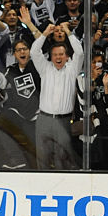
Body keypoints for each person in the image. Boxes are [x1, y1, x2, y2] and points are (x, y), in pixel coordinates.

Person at [30, 22, 82, 170]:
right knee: (43, 158)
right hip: (44, 120)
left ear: (66, 56)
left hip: (64, 121)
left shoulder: (72, 70)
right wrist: (45, 33)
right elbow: (34, 52)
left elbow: (80, 53)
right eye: (55, 55)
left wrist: (68, 31)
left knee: (62, 159)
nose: (58, 57)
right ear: (51, 57)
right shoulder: (45, 68)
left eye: (61, 54)